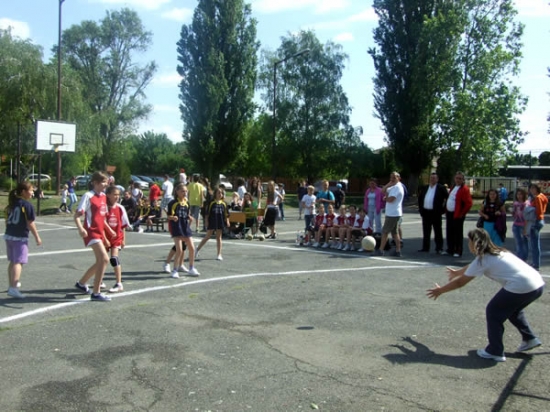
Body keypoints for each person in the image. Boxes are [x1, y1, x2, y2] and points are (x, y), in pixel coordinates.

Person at [427, 228, 544, 362]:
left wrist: (440, 290)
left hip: (521, 286)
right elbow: (473, 265)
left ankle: (495, 351)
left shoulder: (483, 260)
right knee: (513, 310)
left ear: (475, 243)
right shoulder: (500, 251)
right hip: (538, 284)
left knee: (493, 311)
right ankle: (530, 338)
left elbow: (460, 283)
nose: (468, 244)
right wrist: (458, 272)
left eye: (469, 241)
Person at [73, 171, 113, 302]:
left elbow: (102, 219)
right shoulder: (88, 196)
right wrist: (81, 229)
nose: (105, 185)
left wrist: (107, 235)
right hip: (91, 231)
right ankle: (96, 292)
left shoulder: (103, 196)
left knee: (100, 261)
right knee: (104, 259)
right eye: (103, 182)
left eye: (106, 182)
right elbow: (77, 216)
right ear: (95, 183)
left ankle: (81, 283)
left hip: (99, 233)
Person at [4, 181, 42, 299]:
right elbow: (30, 223)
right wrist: (37, 236)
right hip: (19, 237)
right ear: (23, 192)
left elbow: (6, 220)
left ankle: (11, 285)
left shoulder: (13, 203)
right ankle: (13, 288)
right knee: (18, 262)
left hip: (9, 235)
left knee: (13, 261)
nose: (32, 193)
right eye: (30, 191)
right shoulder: (26, 205)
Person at [167, 183, 200, 278]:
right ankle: (175, 270)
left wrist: (189, 217)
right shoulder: (173, 203)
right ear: (177, 192)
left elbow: (186, 214)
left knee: (192, 248)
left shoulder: (187, 203)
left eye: (186, 191)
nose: (185, 193)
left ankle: (191, 268)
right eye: (182, 191)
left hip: (185, 227)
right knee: (179, 250)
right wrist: (173, 217)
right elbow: (169, 216)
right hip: (177, 227)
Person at [104, 185, 129, 293]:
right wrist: (104, 238)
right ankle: (100, 280)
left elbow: (123, 225)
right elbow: (101, 224)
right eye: (114, 194)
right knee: (102, 260)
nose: (117, 197)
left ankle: (118, 283)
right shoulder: (104, 207)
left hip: (116, 237)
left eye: (118, 195)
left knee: (114, 258)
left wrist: (123, 239)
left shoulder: (120, 208)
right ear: (108, 195)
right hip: (105, 237)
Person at [374, 172, 404, 257]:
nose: (392, 179)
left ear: (399, 178)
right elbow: (383, 191)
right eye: (391, 177)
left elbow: (391, 199)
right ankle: (398, 251)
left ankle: (380, 250)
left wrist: (385, 199)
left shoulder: (398, 187)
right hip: (392, 213)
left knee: (385, 232)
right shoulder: (393, 186)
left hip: (393, 214)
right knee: (394, 233)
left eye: (394, 177)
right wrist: (388, 184)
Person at [195, 188, 230, 261]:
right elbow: (207, 213)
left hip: (220, 221)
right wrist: (206, 221)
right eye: (218, 193)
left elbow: (226, 214)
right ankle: (197, 249)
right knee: (208, 236)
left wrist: (227, 221)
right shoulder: (211, 203)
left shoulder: (224, 203)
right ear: (215, 194)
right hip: (212, 221)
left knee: (219, 237)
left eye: (221, 193)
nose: (220, 194)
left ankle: (219, 254)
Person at [418, 173, 449, 253]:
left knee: (437, 231)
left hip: (436, 213)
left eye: (434, 178)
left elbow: (448, 198)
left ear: (437, 179)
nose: (432, 179)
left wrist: (443, 209)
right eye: (431, 178)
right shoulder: (425, 187)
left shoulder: (441, 188)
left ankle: (439, 248)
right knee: (426, 231)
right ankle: (425, 247)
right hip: (426, 212)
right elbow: (420, 199)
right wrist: (421, 210)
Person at [445, 171, 473, 257]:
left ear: (463, 180)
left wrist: (462, 213)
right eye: (457, 178)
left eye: (460, 178)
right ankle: (450, 249)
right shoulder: (453, 187)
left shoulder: (464, 189)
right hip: (449, 213)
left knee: (457, 233)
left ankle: (458, 250)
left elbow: (469, 203)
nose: (458, 180)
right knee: (449, 231)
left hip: (457, 214)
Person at [528, 184, 548, 271]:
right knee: (535, 243)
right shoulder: (542, 196)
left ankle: (536, 264)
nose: (532, 190)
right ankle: (535, 263)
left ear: (537, 189)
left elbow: (539, 210)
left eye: (534, 188)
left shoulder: (537, 197)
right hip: (540, 220)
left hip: (536, 221)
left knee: (534, 244)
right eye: (531, 188)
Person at [511, 188, 529, 262]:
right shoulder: (515, 203)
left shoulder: (526, 204)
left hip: (524, 225)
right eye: (518, 194)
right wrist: (512, 211)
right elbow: (514, 215)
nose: (519, 196)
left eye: (521, 194)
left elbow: (527, 217)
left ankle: (524, 259)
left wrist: (525, 228)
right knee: (518, 242)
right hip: (516, 224)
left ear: (524, 195)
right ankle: (520, 259)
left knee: (525, 242)